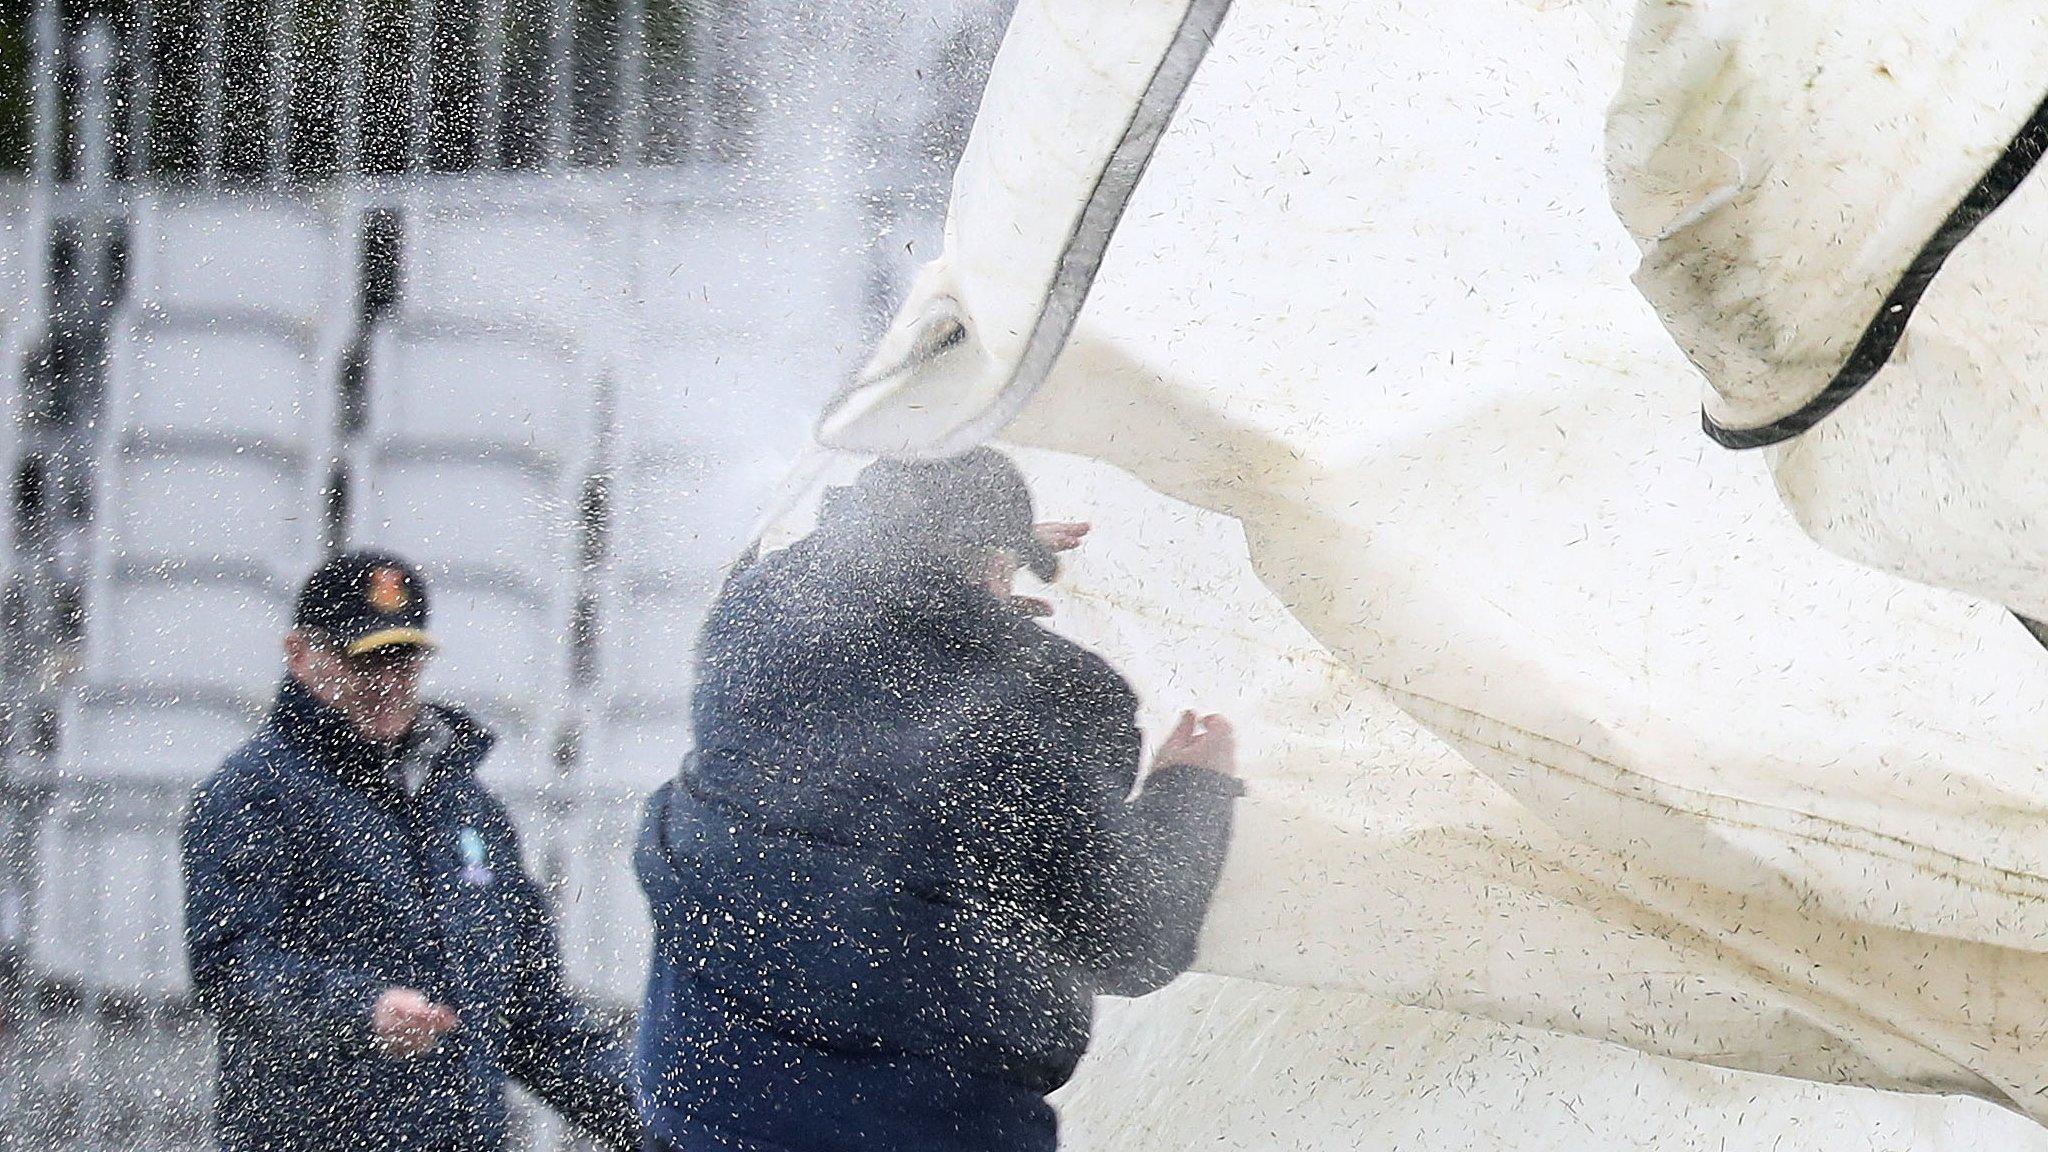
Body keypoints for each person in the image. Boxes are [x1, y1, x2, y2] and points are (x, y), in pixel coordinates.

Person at [634, 447, 1243, 1152]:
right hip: (924, 1132)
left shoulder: (752, 619)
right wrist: (1193, 789)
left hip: (699, 1118)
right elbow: (1132, 942)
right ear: (991, 562)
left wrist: (951, 586)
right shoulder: (1057, 700)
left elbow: (864, 603)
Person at [181, 551, 641, 1152]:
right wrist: (358, 1011)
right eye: (359, 660)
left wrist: (669, 1124)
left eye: (401, 658)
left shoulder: (465, 805)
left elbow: (535, 1018)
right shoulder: (255, 793)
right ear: (297, 654)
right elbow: (228, 968)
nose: (385, 680)